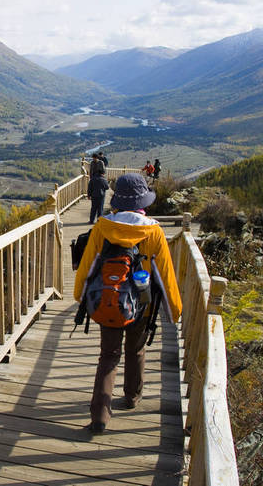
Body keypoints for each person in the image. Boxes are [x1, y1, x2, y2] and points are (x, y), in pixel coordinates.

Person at [73, 173, 182, 433]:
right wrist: (174, 312)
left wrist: (81, 297)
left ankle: (99, 416)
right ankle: (132, 397)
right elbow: (165, 276)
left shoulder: (102, 227)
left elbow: (87, 268)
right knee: (136, 351)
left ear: (117, 200)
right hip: (142, 305)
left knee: (108, 356)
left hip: (108, 301)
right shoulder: (153, 231)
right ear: (143, 201)